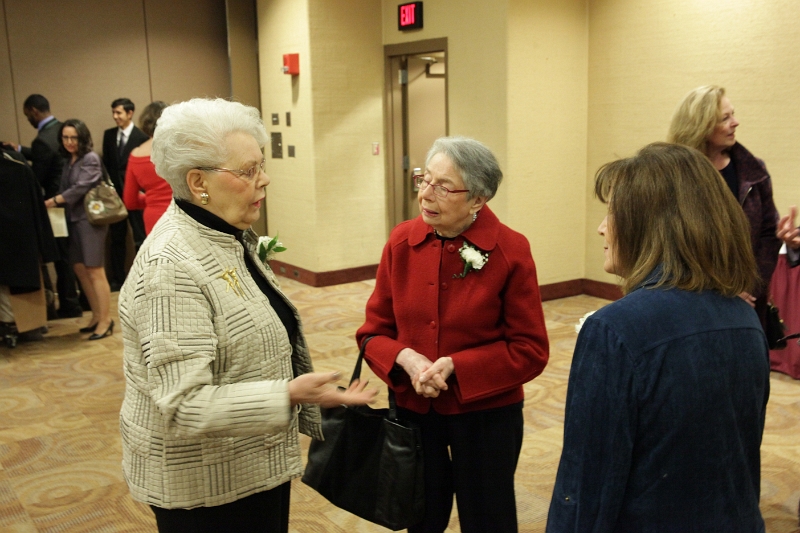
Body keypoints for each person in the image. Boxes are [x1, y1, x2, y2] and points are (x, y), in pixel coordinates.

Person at [118, 98, 376, 533]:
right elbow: (184, 407)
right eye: (248, 170)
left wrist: (307, 393)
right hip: (205, 489)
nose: (265, 178)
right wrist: (288, 394)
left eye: (261, 165)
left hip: (248, 465)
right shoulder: (171, 268)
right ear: (198, 182)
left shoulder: (223, 234)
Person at [547, 142, 769, 532]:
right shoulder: (745, 320)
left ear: (647, 224)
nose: (601, 227)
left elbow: (587, 487)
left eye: (612, 212)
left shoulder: (616, 330)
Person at [356, 136, 550, 533]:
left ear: (478, 199)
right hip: (413, 409)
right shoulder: (401, 242)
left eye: (443, 186)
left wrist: (455, 366)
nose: (426, 194)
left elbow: (530, 349)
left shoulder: (511, 250)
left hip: (486, 416)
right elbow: (372, 334)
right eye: (424, 179)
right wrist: (406, 359)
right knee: (421, 517)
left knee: (489, 518)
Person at [668, 85, 781, 330]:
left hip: (749, 300)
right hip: (694, 302)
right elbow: (672, 242)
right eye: (725, 118)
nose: (736, 122)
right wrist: (720, 291)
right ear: (701, 125)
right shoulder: (675, 176)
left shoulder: (753, 170)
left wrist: (749, 287)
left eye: (733, 114)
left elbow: (769, 233)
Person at [2, 94, 82, 318]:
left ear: (33, 111)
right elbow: (49, 155)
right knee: (73, 255)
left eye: (27, 115)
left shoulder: (42, 141)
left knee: (60, 256)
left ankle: (68, 303)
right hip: (71, 201)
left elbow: (37, 175)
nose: (28, 119)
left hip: (54, 205)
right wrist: (20, 149)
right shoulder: (60, 130)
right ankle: (78, 300)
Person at [44, 120, 113, 340]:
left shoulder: (90, 158)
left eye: (73, 137)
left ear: (82, 138)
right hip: (73, 220)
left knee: (95, 270)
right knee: (80, 269)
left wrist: (54, 200)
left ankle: (106, 320)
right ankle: (96, 315)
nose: (69, 142)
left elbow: (81, 187)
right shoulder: (68, 160)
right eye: (65, 137)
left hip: (90, 220)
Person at [103, 97, 148, 291]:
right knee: (117, 238)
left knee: (140, 237)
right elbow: (107, 165)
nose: (115, 116)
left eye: (119, 112)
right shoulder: (109, 135)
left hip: (136, 194)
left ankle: (143, 277)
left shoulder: (141, 137)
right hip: (115, 196)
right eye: (113, 112)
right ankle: (118, 279)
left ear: (130, 113)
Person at [122, 100, 171, 234]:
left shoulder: (136, 154)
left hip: (154, 217)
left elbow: (130, 202)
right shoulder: (181, 149)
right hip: (184, 214)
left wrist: (152, 198)